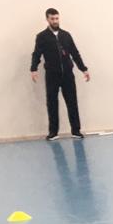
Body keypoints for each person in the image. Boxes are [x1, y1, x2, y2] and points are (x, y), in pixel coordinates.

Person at [30, 8, 89, 140]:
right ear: (47, 19)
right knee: (52, 103)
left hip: (67, 75)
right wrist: (33, 69)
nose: (55, 21)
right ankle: (53, 132)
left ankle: (76, 130)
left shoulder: (66, 35)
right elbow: (36, 54)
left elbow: (75, 53)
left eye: (57, 18)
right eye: (52, 19)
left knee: (72, 102)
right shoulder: (42, 37)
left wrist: (83, 69)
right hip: (52, 75)